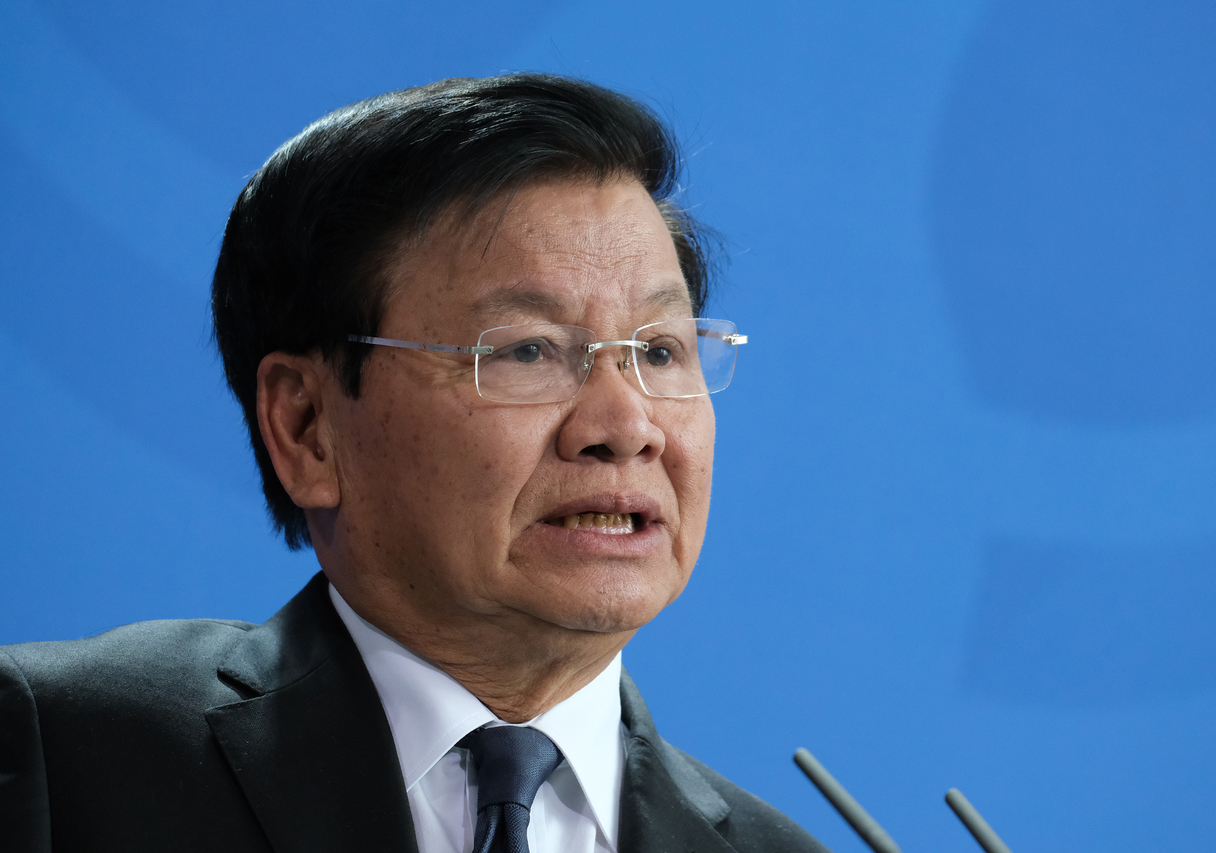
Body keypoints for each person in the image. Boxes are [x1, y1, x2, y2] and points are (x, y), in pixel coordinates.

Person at [0, 74, 828, 853]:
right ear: (308, 426)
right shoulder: (70, 752)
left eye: (659, 349)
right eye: (528, 350)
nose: (625, 424)